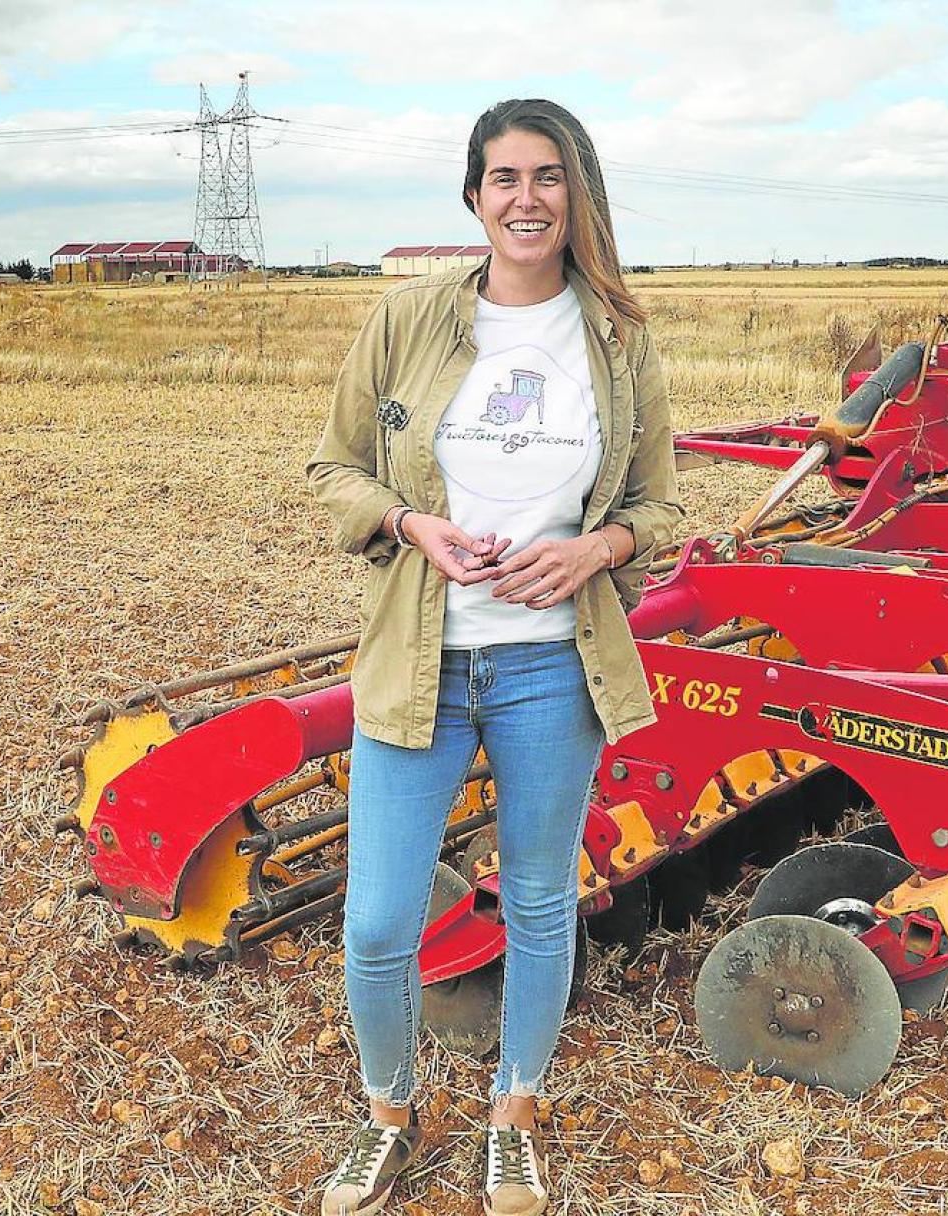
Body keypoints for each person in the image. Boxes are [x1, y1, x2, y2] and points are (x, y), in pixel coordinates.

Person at [304, 98, 681, 1216]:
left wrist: (596, 550)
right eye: (504, 177)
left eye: (548, 176)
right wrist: (413, 526)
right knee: (376, 922)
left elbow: (661, 507)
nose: (527, 198)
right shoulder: (407, 319)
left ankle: (513, 1114)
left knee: (535, 904)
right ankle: (387, 1114)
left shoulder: (619, 338)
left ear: (579, 194)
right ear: (472, 196)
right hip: (420, 662)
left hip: (549, 671)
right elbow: (333, 473)